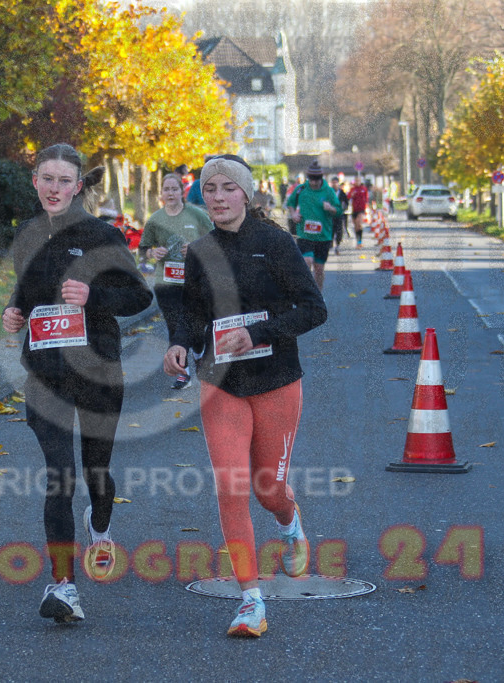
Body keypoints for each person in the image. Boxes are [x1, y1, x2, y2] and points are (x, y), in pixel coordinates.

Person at [162, 154, 328, 638]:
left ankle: (289, 520)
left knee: (266, 489)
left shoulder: (275, 243)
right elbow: (192, 314)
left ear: (246, 194)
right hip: (221, 384)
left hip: (276, 381)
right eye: (209, 189)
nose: (217, 197)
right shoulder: (198, 252)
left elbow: (314, 310)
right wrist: (179, 343)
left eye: (227, 188)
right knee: (231, 486)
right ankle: (251, 601)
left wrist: (257, 333)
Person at [2, 143, 153, 624]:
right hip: (45, 374)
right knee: (60, 477)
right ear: (35, 181)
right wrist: (14, 311)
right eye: (47, 179)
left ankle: (100, 523)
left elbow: (138, 296)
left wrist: (93, 294)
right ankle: (63, 586)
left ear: (78, 186)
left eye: (64, 181)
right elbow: (28, 292)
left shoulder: (102, 235)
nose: (54, 188)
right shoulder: (26, 234)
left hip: (97, 374)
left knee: (96, 473)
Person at [140, 172, 214, 389]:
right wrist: (153, 253)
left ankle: (199, 354)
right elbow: (143, 249)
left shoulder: (197, 215)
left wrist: (197, 248)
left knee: (195, 328)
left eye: (174, 189)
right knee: (174, 326)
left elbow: (215, 241)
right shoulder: (155, 219)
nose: (170, 193)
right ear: (161, 193)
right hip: (166, 284)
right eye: (166, 189)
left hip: (194, 282)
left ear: (182, 192)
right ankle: (183, 373)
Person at [286, 160, 341, 291]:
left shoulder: (328, 192)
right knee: (307, 261)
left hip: (323, 236)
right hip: (304, 234)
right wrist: (293, 214)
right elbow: (290, 203)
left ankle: (318, 295)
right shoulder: (301, 189)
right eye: (311, 179)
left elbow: (339, 210)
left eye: (316, 180)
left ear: (321, 178)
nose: (313, 183)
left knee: (319, 269)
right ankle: (306, 293)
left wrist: (330, 208)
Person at [347, 177, 369, 249]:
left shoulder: (364, 189)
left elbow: (367, 198)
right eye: (356, 181)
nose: (357, 182)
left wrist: (366, 206)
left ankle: (360, 242)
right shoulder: (353, 189)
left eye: (358, 181)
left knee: (359, 224)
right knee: (356, 226)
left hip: (361, 209)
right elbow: (348, 197)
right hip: (354, 210)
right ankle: (358, 241)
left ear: (360, 181)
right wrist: (351, 195)